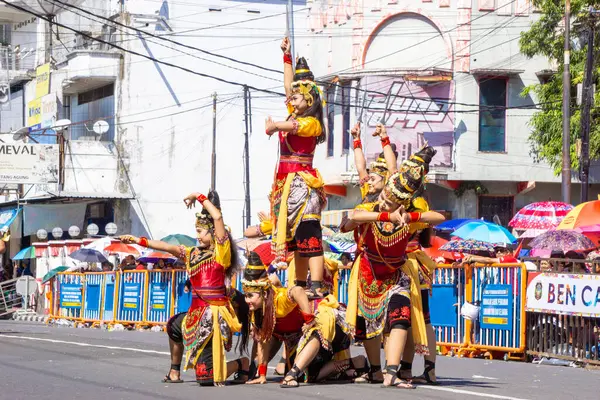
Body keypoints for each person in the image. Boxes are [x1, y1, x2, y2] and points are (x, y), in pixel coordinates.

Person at [120, 190, 250, 387]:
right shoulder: (192, 253)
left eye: (199, 231)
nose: (196, 236)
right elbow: (166, 247)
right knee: (173, 325)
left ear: (213, 232)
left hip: (211, 316)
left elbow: (217, 216)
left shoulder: (221, 253)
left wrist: (198, 196)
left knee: (206, 377)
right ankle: (174, 370)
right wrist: (138, 240)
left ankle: (242, 363)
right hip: (194, 315)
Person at [341, 145, 445, 389]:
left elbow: (438, 218)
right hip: (369, 272)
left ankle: (392, 371)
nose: (383, 200)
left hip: (398, 273)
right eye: (384, 196)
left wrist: (412, 218)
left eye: (390, 200)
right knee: (368, 323)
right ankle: (376, 369)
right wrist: (387, 216)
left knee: (402, 318)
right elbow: (354, 217)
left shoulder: (411, 212)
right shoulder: (371, 207)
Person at [242, 251, 362, 387]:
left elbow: (298, 290)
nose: (247, 300)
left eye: (250, 296)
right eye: (246, 296)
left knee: (314, 335)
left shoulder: (279, 299)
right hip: (296, 338)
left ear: (264, 293)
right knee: (310, 376)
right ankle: (357, 363)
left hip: (327, 328)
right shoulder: (258, 310)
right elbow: (262, 341)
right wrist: (262, 374)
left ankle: (292, 374)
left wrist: (308, 319)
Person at [265, 37, 327, 299]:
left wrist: (275, 126)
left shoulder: (312, 122)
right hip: (286, 185)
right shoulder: (294, 112)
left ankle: (317, 284)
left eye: (299, 95)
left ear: (310, 99)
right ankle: (300, 281)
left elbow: (292, 127)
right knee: (298, 244)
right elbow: (288, 88)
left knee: (309, 233)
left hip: (304, 184)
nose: (292, 97)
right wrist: (286, 57)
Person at [350, 122, 398, 203]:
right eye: (369, 179)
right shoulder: (367, 192)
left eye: (372, 179)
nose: (368, 182)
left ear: (386, 179)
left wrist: (384, 136)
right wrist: (356, 138)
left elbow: (392, 168)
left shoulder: (390, 194)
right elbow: (361, 168)